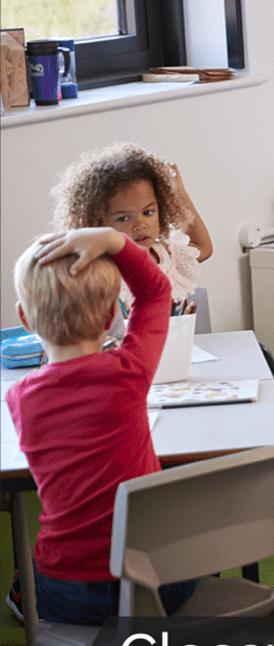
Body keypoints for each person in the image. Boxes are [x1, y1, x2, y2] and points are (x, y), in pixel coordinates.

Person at [8, 228, 198, 622]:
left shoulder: (18, 398)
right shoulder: (128, 373)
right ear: (114, 316)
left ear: (25, 319)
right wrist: (113, 240)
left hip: (70, 592)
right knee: (197, 557)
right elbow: (155, 292)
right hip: (152, 578)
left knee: (30, 577)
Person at [50, 142, 213, 321]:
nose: (140, 225)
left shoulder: (164, 253)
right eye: (123, 218)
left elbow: (203, 247)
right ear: (96, 222)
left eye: (148, 212)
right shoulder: (102, 270)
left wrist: (179, 192)